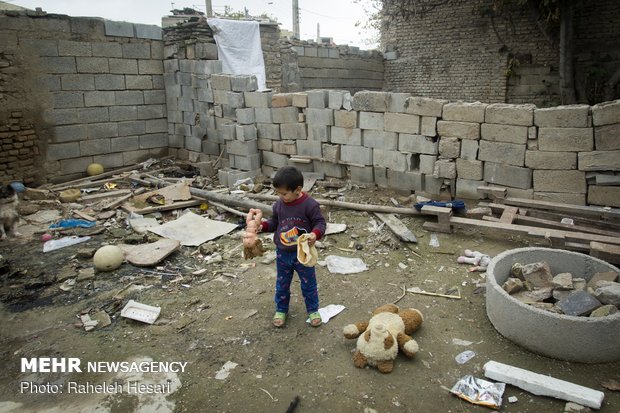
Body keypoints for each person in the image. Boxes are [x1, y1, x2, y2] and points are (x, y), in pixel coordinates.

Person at [249, 166, 326, 328]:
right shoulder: (279, 205)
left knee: (309, 284)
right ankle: (281, 309)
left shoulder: (309, 205)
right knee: (282, 284)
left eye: (284, 193)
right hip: (283, 254)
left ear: (298, 189)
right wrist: (262, 226)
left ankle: (313, 310)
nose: (280, 196)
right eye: (278, 193)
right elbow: (274, 223)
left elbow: (320, 223)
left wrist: (315, 234)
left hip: (303, 254)